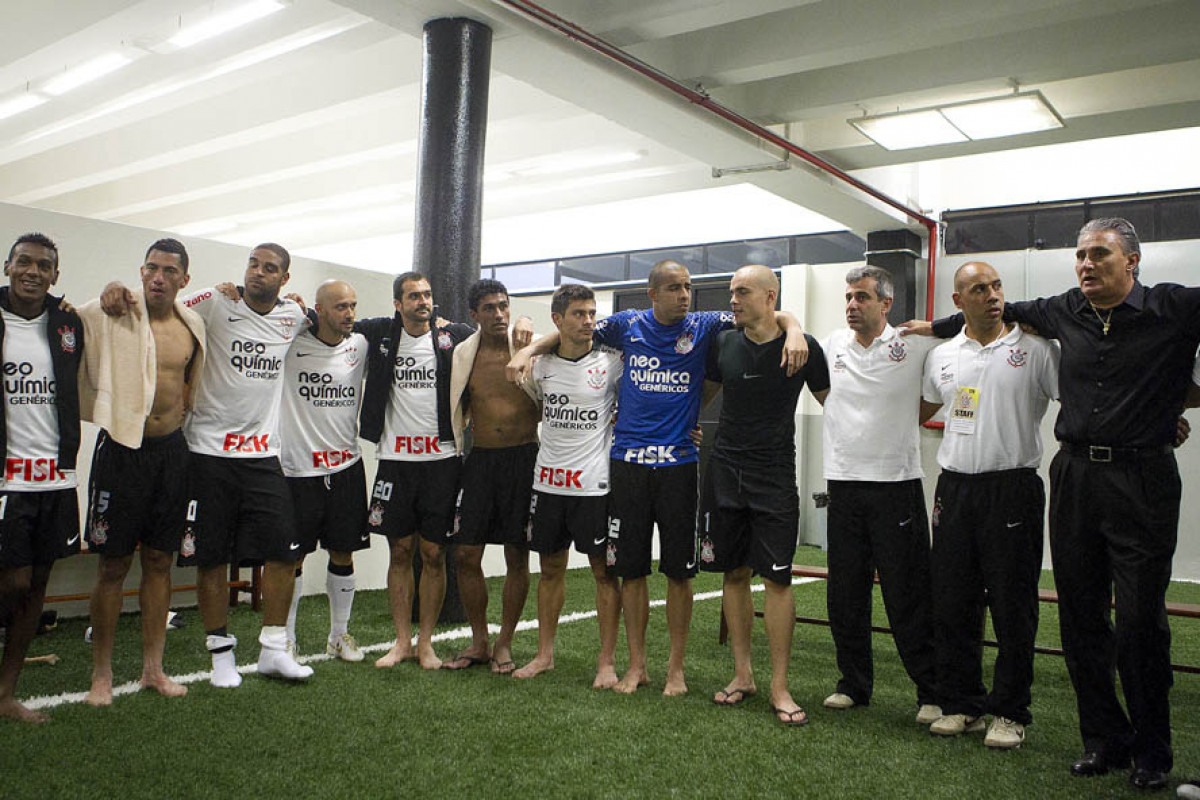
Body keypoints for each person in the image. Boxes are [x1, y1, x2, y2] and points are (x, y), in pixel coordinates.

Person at [907, 218, 1200, 790]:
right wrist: (936, 324)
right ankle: (1104, 742)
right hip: (1074, 476)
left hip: (1142, 478)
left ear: (1132, 262)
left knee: (1141, 620)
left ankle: (1152, 751)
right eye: (1081, 256)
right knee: (1080, 617)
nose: (1087, 264)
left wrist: (1170, 407)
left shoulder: (1176, 308)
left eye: (1100, 255)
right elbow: (991, 309)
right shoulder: (1064, 309)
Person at [509, 260, 807, 695]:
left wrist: (794, 327)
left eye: (687, 287)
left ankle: (676, 670)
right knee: (631, 572)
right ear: (652, 294)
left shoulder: (704, 325)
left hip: (679, 466)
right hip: (627, 466)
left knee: (679, 573)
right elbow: (573, 331)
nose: (684, 295)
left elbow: (768, 314)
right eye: (673, 288)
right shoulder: (626, 325)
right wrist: (529, 348)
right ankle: (637, 666)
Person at [102, 243, 313, 686]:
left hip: (262, 455)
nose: (257, 273)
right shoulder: (215, 301)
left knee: (283, 551)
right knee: (211, 557)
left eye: (269, 268)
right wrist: (116, 287)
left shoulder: (294, 317)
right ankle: (221, 656)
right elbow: (162, 298)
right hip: (206, 453)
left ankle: (275, 648)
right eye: (253, 265)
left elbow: (327, 322)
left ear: (285, 279)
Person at [916, 262, 1059, 748]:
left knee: (1013, 606)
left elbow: (1080, 399)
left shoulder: (1035, 350)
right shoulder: (943, 356)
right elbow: (928, 407)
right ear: (959, 302)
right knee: (953, 602)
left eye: (997, 286)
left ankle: (1010, 711)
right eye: (979, 289)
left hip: (1012, 487)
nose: (993, 295)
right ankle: (962, 704)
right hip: (954, 489)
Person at [699, 265, 828, 726]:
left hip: (774, 474)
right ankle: (742, 675)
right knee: (732, 574)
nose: (733, 299)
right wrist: (686, 425)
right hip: (725, 471)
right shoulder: (722, 343)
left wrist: (796, 329)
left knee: (777, 581)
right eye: (731, 291)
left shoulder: (804, 348)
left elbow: (837, 407)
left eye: (743, 292)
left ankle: (779, 685)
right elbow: (704, 396)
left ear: (770, 296)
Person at [79, 238, 204, 706]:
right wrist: (111, 288)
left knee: (158, 561)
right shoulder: (117, 311)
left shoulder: (191, 324)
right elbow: (70, 316)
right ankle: (102, 674)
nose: (158, 277)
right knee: (112, 565)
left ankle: (154, 668)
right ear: (141, 271)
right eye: (151, 268)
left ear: (184, 279)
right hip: (122, 452)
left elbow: (192, 381)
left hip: (172, 454)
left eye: (169, 270)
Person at [818, 265, 940, 724]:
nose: (852, 305)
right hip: (844, 485)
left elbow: (929, 402)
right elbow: (793, 336)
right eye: (849, 297)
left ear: (885, 303)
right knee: (845, 594)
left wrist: (895, 421)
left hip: (898, 485)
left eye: (862, 298)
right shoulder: (831, 346)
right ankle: (853, 684)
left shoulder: (913, 344)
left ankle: (930, 691)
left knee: (908, 595)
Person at [357, 272, 475, 670]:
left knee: (433, 553)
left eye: (427, 295)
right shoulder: (380, 334)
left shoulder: (452, 337)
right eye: (413, 296)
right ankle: (401, 641)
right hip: (395, 461)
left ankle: (426, 643)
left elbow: (496, 336)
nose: (422, 302)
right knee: (401, 550)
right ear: (398, 303)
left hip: (442, 461)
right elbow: (332, 322)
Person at [511, 283, 622, 687]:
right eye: (578, 314)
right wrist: (525, 348)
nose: (588, 321)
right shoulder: (539, 367)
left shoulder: (612, 362)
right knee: (550, 569)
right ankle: (544, 655)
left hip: (594, 487)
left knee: (604, 574)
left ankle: (606, 663)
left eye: (592, 313)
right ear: (557, 319)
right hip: (548, 483)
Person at [0, 233, 83, 723]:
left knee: (37, 586)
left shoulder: (68, 321)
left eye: (43, 265)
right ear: (8, 266)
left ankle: (6, 694)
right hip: (6, 480)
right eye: (24, 262)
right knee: (11, 580)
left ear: (56, 274)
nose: (33, 271)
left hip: (54, 476)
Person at [446, 279, 540, 675]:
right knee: (466, 553)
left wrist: (527, 322)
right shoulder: (465, 352)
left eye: (504, 306)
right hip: (481, 459)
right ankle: (480, 639)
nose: (499, 314)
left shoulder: (530, 346)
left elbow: (566, 333)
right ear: (474, 315)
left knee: (516, 554)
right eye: (489, 308)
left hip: (524, 459)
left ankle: (505, 642)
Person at [279, 280, 368, 662]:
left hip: (346, 466)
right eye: (340, 307)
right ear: (319, 309)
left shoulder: (360, 345)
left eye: (352, 305)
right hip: (298, 470)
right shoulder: (291, 343)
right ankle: (285, 638)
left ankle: (339, 636)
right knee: (291, 559)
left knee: (344, 553)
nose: (348, 314)